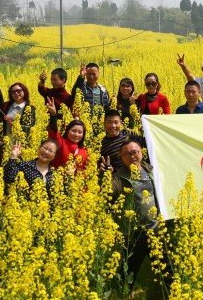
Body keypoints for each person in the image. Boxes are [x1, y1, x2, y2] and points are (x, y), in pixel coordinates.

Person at [105, 140, 174, 296]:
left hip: (155, 230)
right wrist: (104, 177)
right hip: (133, 235)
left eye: (135, 152)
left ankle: (173, 296)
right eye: (127, 154)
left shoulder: (153, 170)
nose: (132, 156)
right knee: (127, 273)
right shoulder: (118, 177)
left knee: (167, 271)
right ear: (121, 157)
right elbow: (108, 193)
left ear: (141, 152)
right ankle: (120, 296)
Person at [45, 98, 88, 170]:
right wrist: (53, 114)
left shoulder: (84, 151)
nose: (76, 134)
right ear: (67, 131)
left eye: (80, 132)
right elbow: (53, 131)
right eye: (73, 131)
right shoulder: (61, 143)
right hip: (57, 179)